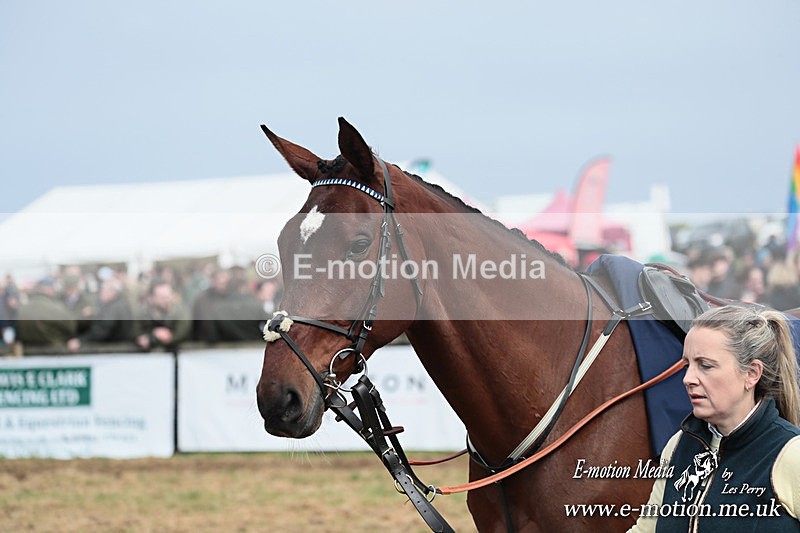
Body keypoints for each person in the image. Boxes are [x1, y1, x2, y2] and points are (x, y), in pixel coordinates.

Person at [630, 305, 800, 531]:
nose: (688, 378)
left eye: (706, 366)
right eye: (687, 365)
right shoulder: (678, 445)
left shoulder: (791, 455)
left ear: (752, 373)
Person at [67, 278, 134, 352]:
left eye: (103, 290)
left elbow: (102, 330)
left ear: (112, 292)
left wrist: (80, 341)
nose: (100, 294)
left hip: (116, 348)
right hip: (120, 346)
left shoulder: (114, 307)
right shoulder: (119, 304)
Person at [133, 279, 191, 353]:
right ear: (151, 298)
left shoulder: (179, 311)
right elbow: (136, 333)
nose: (167, 300)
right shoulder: (142, 312)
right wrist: (155, 335)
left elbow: (181, 334)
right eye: (162, 297)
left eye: (168, 295)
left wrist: (153, 338)